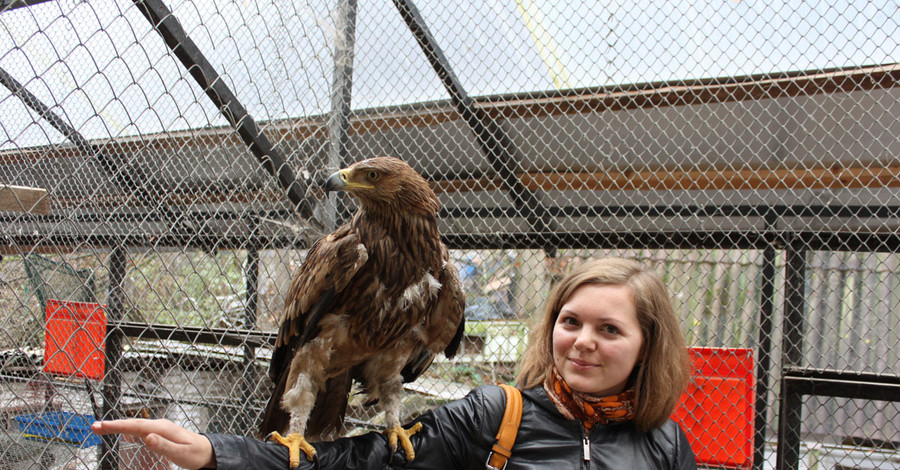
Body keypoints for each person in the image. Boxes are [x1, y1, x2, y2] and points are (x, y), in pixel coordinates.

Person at [92, 257, 696, 469]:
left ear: (648, 343)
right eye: (571, 322)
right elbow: (359, 462)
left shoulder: (666, 448)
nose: (583, 341)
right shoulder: (497, 418)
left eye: (609, 329)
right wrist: (217, 453)